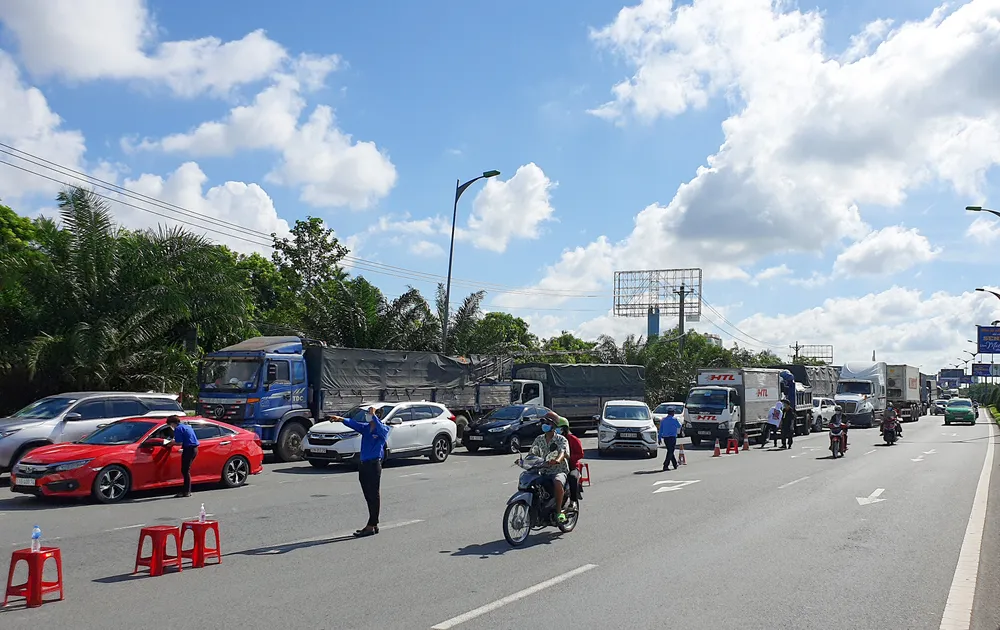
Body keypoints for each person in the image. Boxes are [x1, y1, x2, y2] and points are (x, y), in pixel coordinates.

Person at [327, 406, 390, 537]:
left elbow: (381, 431)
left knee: (373, 494)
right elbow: (353, 423)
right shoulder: (366, 428)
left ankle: (371, 525)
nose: (367, 416)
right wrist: (340, 419)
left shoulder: (383, 429)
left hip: (374, 465)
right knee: (368, 495)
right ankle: (373, 524)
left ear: (377, 416)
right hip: (363, 465)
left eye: (370, 414)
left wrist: (374, 416)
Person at [529, 414, 570, 522]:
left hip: (558, 470)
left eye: (547, 423)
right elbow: (532, 454)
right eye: (543, 423)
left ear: (553, 425)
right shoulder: (539, 439)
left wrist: (557, 460)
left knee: (557, 481)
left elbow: (562, 452)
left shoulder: (561, 439)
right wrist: (524, 461)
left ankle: (558, 512)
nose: (544, 425)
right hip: (542, 471)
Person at [166, 416, 199, 498]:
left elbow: (179, 442)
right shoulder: (186, 426)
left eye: (170, 425)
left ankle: (187, 491)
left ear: (172, 423)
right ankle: (185, 490)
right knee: (185, 470)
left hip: (189, 449)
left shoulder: (178, 429)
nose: (171, 427)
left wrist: (170, 443)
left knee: (185, 470)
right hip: (194, 449)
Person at [556, 415, 584, 501]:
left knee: (572, 478)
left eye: (558, 428)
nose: (556, 430)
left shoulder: (573, 439)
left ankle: (573, 500)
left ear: (564, 429)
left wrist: (568, 458)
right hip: (555, 467)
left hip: (571, 466)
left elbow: (580, 454)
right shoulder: (552, 439)